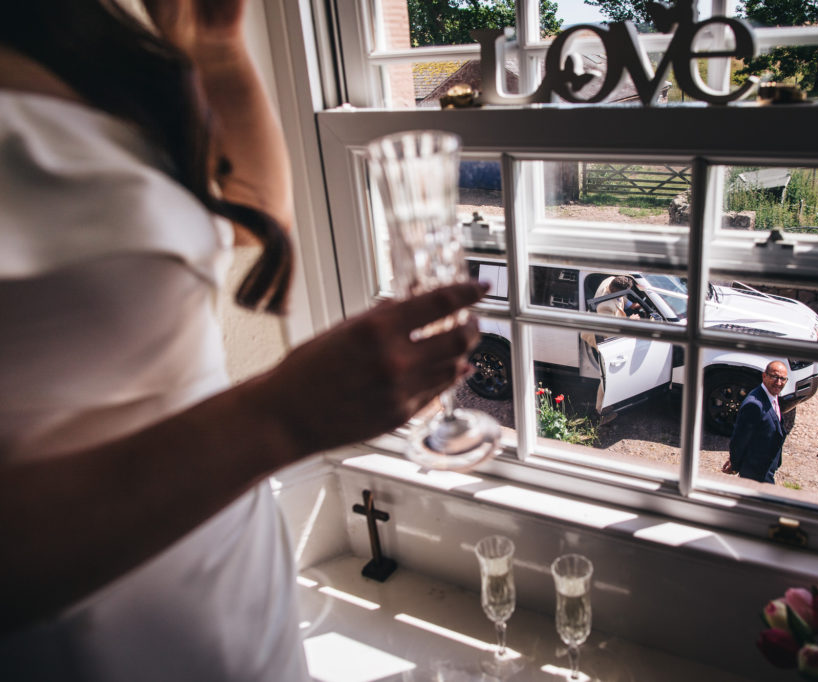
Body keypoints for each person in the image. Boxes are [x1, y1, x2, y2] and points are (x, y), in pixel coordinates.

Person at [0, 1, 484, 679]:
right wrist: (278, 416)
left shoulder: (72, 35)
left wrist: (219, 53)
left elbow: (245, 220)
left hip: (244, 610)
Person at [722, 361, 791, 484]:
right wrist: (735, 463)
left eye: (783, 379)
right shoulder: (754, 405)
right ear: (764, 376)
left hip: (767, 466)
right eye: (774, 377)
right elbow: (740, 439)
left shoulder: (772, 395)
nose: (779, 382)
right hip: (756, 471)